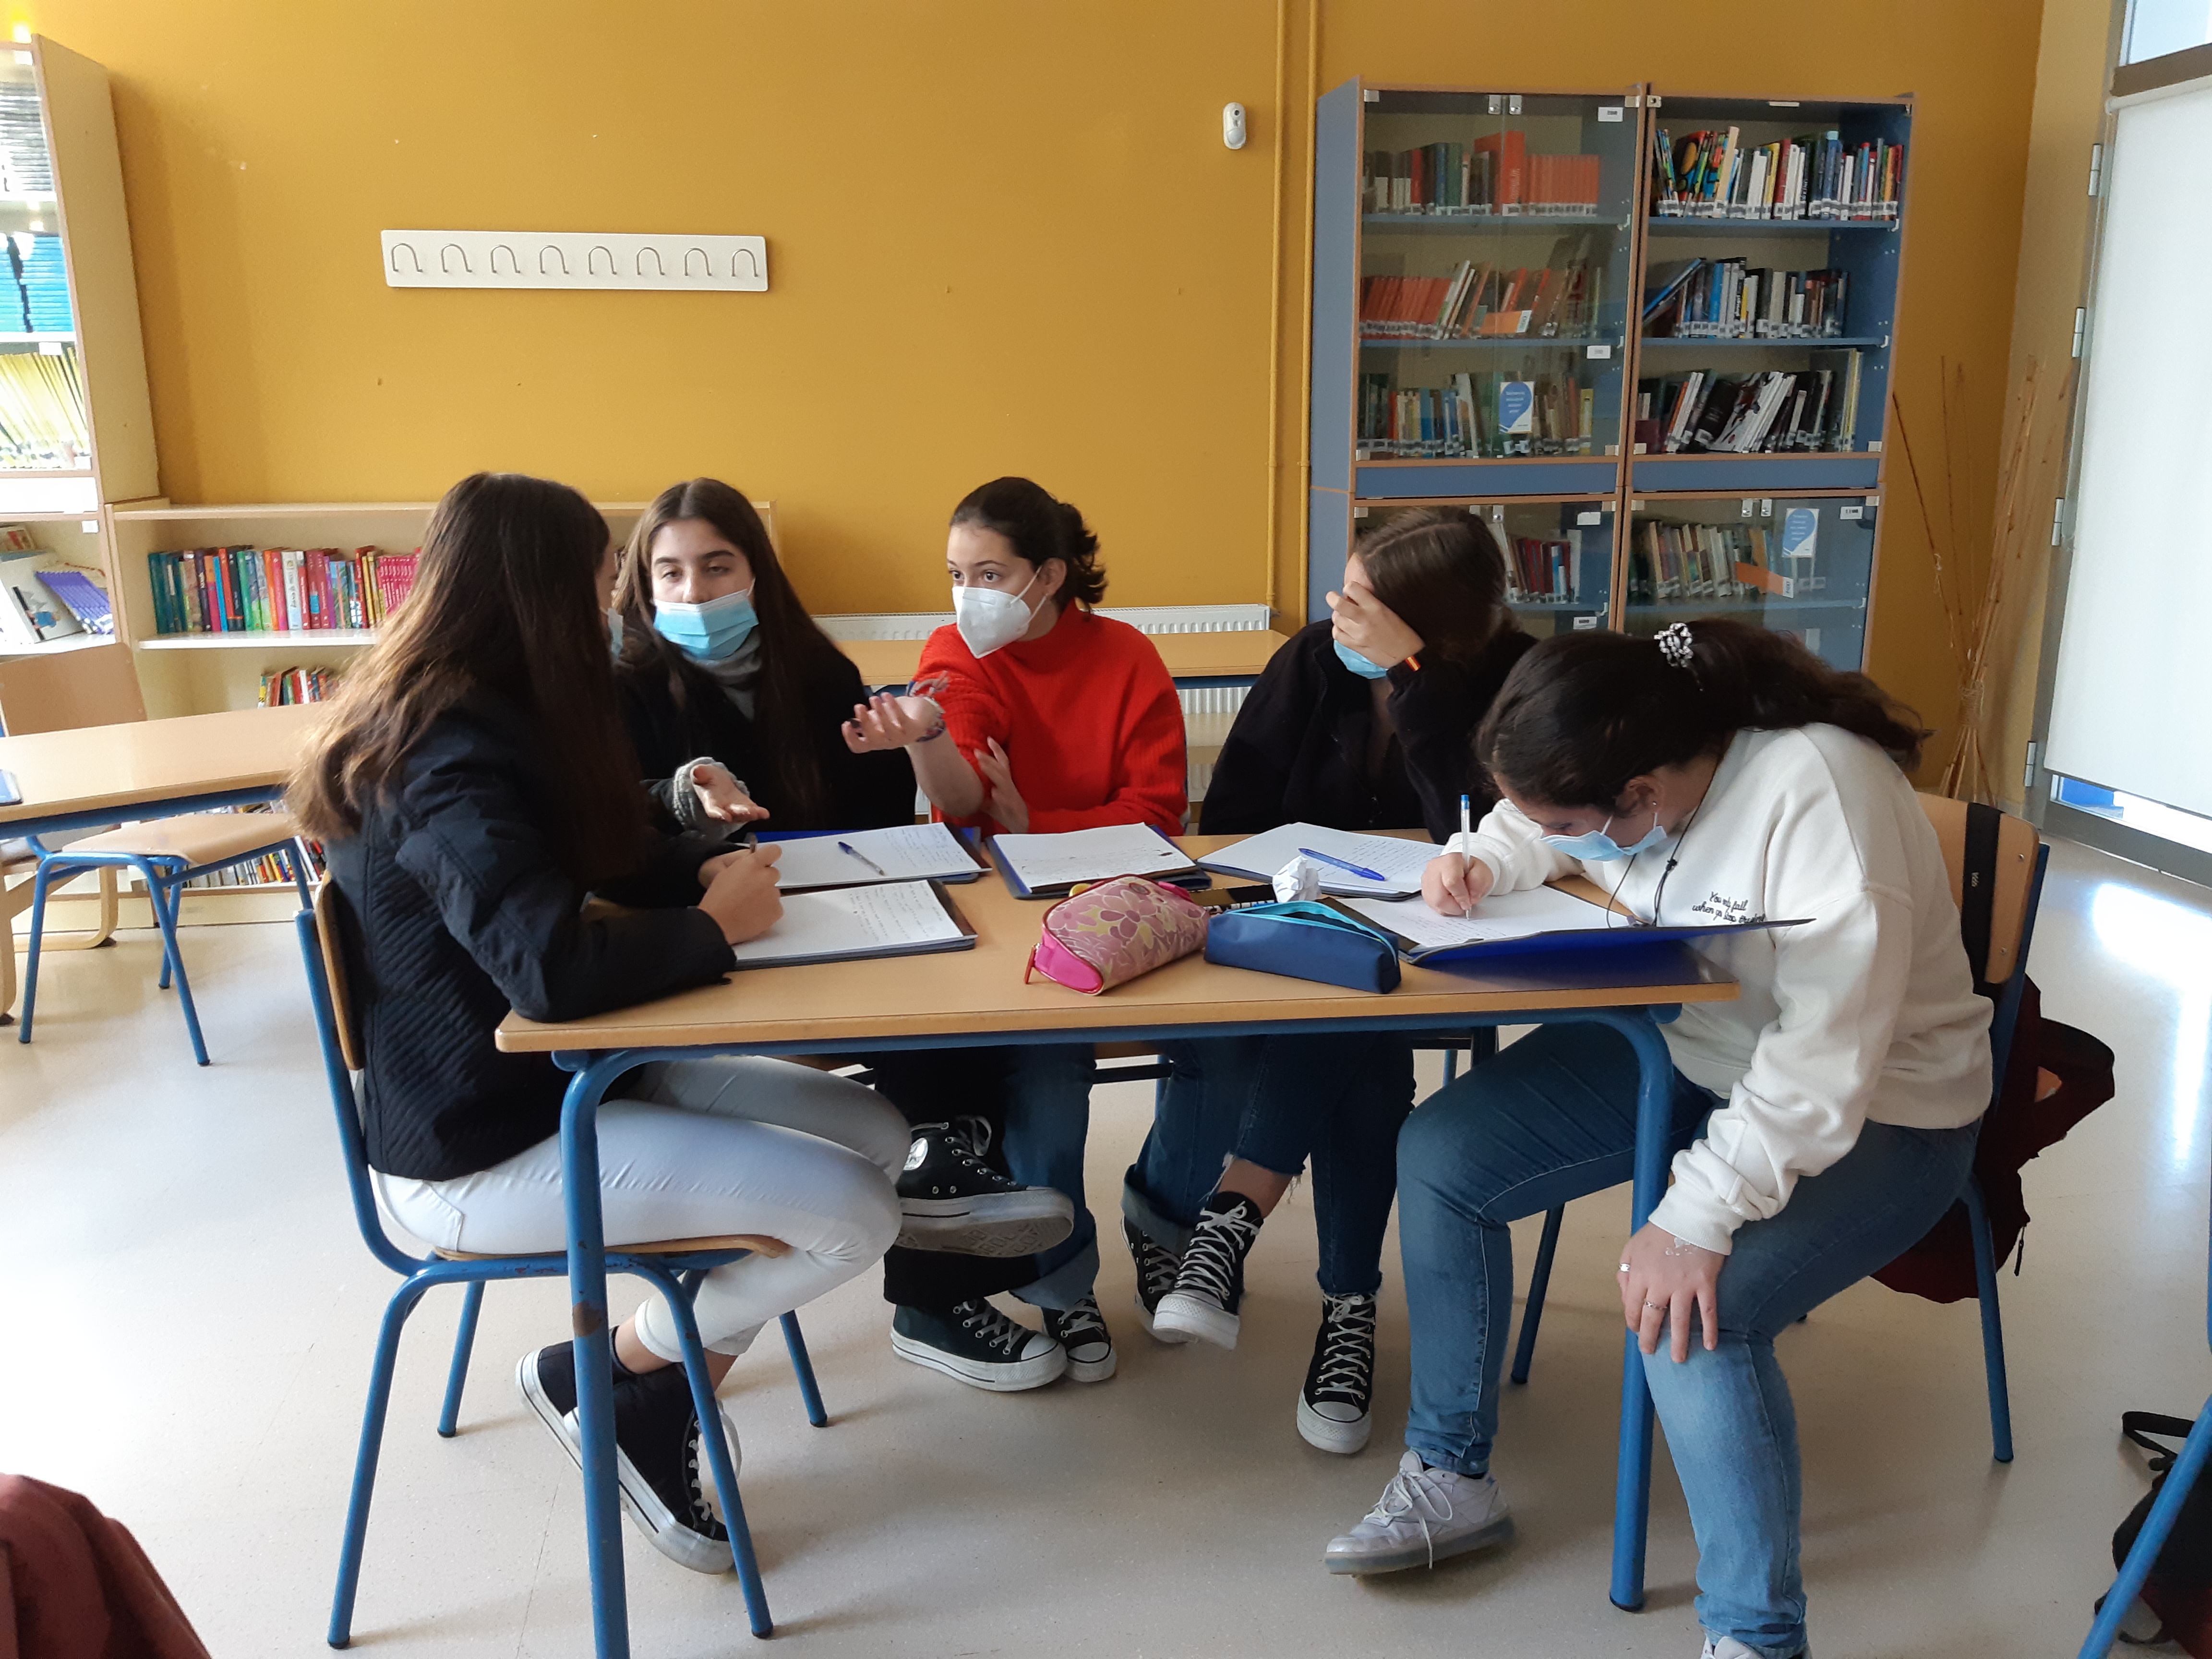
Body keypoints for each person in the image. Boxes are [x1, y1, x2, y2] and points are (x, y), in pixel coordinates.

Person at [292, 472, 941, 1575]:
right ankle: (607, 1375)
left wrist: (700, 853)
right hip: (478, 1143)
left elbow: (587, 853)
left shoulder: (494, 709)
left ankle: (650, 1380)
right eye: (603, 585)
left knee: (878, 1130)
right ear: (539, 597)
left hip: (574, 1078)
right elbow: (547, 966)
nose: (613, 608)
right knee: (858, 1210)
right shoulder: (439, 752)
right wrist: (712, 928)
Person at [1322, 620, 1991, 1659]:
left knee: (1693, 1313)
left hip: (1883, 1105)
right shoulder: (1631, 761)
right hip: (1699, 1047)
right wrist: (1479, 857)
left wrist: (1697, 1216)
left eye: (1580, 821)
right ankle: (1451, 1476)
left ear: (1646, 792)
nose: (1565, 835)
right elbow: (1535, 818)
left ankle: (1756, 1635)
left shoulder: (1821, 794)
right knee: (1443, 1157)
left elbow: (1825, 1061)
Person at [1122, 509, 1535, 1455]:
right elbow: (1230, 819)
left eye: (1360, 602)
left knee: (1365, 1012)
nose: (1334, 610)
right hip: (1299, 924)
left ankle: (1232, 1221)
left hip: (1445, 936)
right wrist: (1292, 875)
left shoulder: (1510, 680)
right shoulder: (1313, 661)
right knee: (1362, 1023)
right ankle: (1347, 1306)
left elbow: (1473, 826)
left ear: (1430, 625)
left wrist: (1417, 684)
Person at [843, 475, 1186, 1391]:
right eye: (955, 572)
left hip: (1110, 918)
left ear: (1047, 576)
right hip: (998, 928)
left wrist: (1035, 821)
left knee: (1120, 1063)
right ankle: (1060, 1281)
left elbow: (1157, 819)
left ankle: (1111, 1252)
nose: (966, 594)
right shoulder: (955, 650)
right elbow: (960, 806)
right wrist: (926, 740)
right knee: (1041, 1067)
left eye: (988, 572)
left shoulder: (1126, 660)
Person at [612, 476, 914, 836]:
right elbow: (617, 821)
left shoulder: (821, 670)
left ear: (757, 572)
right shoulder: (625, 682)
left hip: (823, 879)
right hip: (700, 887)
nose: (693, 593)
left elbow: (877, 810)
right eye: (671, 573)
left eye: (716, 569)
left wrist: (897, 748)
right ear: (648, 584)